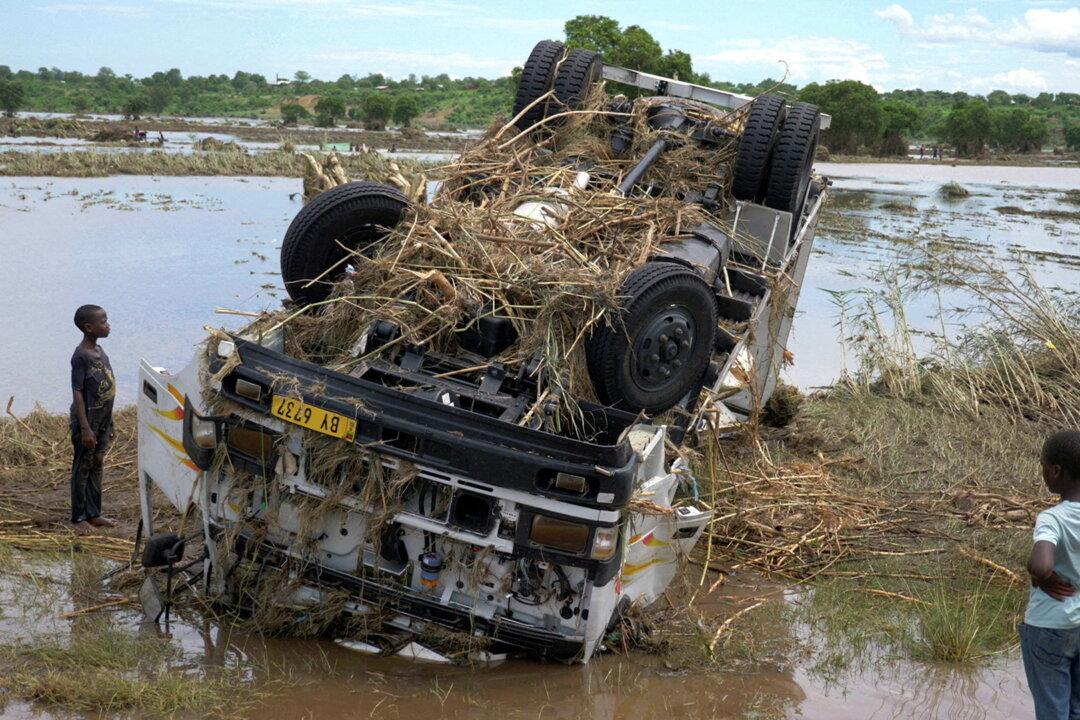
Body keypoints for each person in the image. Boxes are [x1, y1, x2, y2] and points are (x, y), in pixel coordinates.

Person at [1020, 430, 1080, 719]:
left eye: (1043, 465)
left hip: (1049, 626)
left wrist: (1040, 576)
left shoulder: (1052, 518)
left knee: (1052, 711)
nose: (1042, 471)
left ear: (1055, 471)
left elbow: (1041, 564)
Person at [70, 305, 118, 536]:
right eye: (103, 322)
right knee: (83, 465)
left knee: (97, 462)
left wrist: (110, 422)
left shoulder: (100, 351)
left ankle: (94, 513)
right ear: (89, 328)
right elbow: (78, 393)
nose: (108, 325)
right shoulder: (80, 356)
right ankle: (79, 517)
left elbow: (107, 388)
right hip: (87, 422)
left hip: (102, 420)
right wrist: (85, 428)